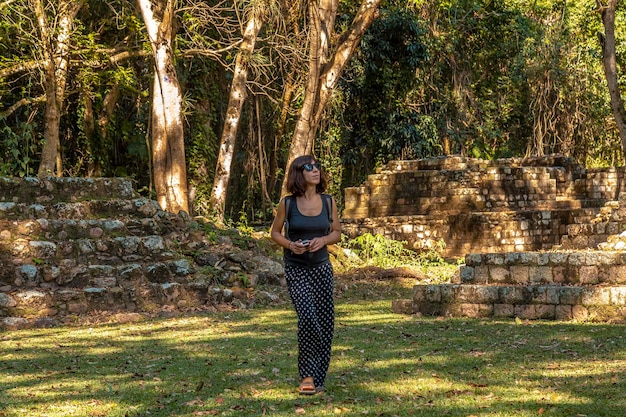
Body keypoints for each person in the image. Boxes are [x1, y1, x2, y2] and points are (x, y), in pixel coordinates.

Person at [270, 155, 342, 395]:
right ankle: (307, 375)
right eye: (309, 167)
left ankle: (317, 377)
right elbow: (275, 233)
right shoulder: (287, 204)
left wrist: (323, 240)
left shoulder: (329, 201)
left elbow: (337, 233)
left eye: (317, 166)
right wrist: (291, 245)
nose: (315, 170)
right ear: (298, 173)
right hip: (296, 268)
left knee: (325, 321)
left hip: (321, 268)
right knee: (308, 317)